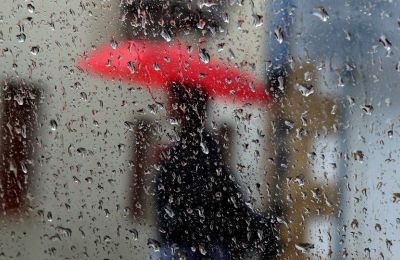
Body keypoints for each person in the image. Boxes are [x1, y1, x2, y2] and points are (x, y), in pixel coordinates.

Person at [155, 84, 278, 259]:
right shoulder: (199, 154)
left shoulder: (196, 158)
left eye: (173, 99)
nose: (168, 106)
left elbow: (177, 222)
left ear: (183, 107)